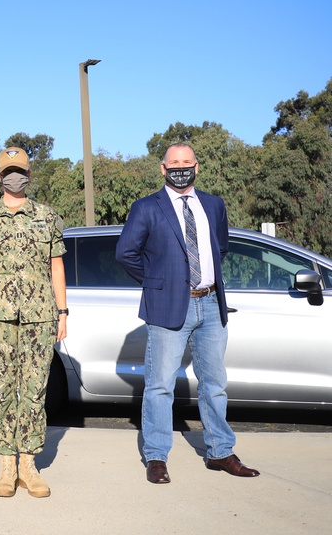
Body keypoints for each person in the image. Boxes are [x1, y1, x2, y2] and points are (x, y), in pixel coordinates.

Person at [116, 143, 260, 485]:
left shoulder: (213, 204)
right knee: (160, 386)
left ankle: (221, 451)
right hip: (168, 307)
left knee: (215, 385)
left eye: (187, 162)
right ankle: (156, 456)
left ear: (197, 166)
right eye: (174, 163)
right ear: (163, 169)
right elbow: (126, 253)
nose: (181, 167)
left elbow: (219, 247)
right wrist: (158, 283)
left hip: (211, 304)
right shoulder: (146, 207)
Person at [0, 147, 67, 498]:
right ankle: (6, 464)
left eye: (21, 171)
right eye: (9, 171)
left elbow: (57, 267)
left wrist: (62, 312)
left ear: (29, 175)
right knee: (0, 390)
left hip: (39, 317)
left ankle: (29, 464)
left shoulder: (47, 217)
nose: (15, 176)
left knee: (35, 390)